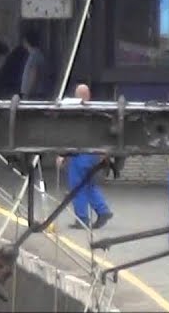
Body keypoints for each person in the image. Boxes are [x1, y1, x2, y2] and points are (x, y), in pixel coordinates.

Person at [64, 84, 113, 230]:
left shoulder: (76, 113)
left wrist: (63, 154)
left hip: (80, 154)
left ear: (78, 96)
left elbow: (71, 135)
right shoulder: (97, 112)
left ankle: (82, 218)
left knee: (77, 186)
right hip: (93, 154)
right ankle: (103, 210)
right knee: (89, 184)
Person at [18, 28, 48, 99]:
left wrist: (27, 94)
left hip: (33, 95)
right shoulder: (36, 54)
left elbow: (34, 75)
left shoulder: (34, 56)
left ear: (26, 41)